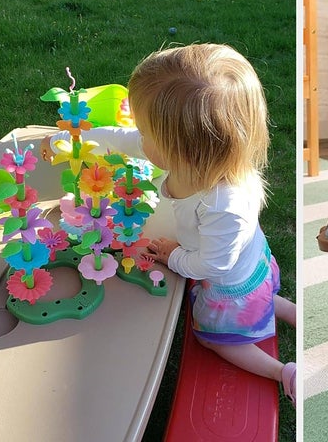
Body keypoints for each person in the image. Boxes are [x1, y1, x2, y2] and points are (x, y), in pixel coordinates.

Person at [40, 43, 297, 405]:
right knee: (265, 298)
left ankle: (282, 370)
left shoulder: (224, 204)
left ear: (181, 149)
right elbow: (122, 139)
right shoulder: (198, 160)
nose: (138, 137)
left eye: (146, 132)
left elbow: (213, 264)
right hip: (245, 263)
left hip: (228, 286)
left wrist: (174, 256)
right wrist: (71, 141)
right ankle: (285, 310)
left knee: (210, 340)